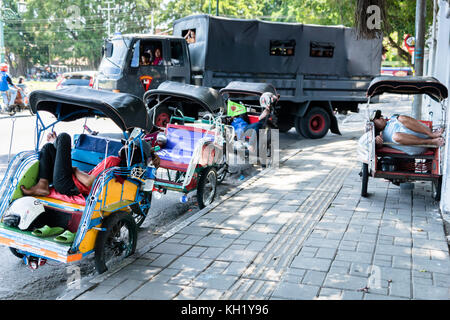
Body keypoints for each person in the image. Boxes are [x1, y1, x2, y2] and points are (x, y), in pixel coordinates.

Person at [20, 132, 159, 198]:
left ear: (131, 150)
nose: (123, 147)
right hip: (70, 182)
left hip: (68, 184)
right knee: (48, 149)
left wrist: (74, 170)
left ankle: (55, 140)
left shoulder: (113, 161)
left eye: (126, 146)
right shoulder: (122, 167)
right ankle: (42, 185)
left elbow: (88, 181)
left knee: (63, 138)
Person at [371, 110, 445, 155]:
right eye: (377, 118)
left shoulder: (392, 119)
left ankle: (432, 134)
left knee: (401, 117)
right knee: (396, 136)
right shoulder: (379, 137)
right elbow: (377, 148)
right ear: (373, 125)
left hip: (423, 132)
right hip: (416, 145)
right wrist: (377, 143)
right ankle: (431, 141)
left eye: (380, 115)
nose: (381, 117)